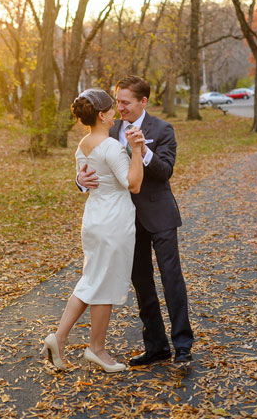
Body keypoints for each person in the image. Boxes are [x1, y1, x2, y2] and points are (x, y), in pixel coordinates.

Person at [77, 75, 195, 366]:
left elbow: (165, 171)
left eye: (126, 103)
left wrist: (143, 150)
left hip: (160, 215)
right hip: (125, 222)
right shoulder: (109, 129)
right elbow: (92, 163)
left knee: (171, 281)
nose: (120, 108)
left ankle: (182, 345)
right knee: (142, 284)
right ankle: (156, 346)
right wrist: (80, 180)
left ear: (143, 101)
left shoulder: (162, 129)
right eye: (117, 102)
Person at [41, 88, 145, 373]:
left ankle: (59, 337)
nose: (115, 113)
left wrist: (79, 178)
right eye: (111, 109)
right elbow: (133, 183)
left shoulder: (83, 145)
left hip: (94, 217)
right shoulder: (110, 146)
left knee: (92, 280)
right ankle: (96, 349)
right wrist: (136, 149)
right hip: (113, 220)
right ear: (102, 115)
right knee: (104, 284)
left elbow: (88, 178)